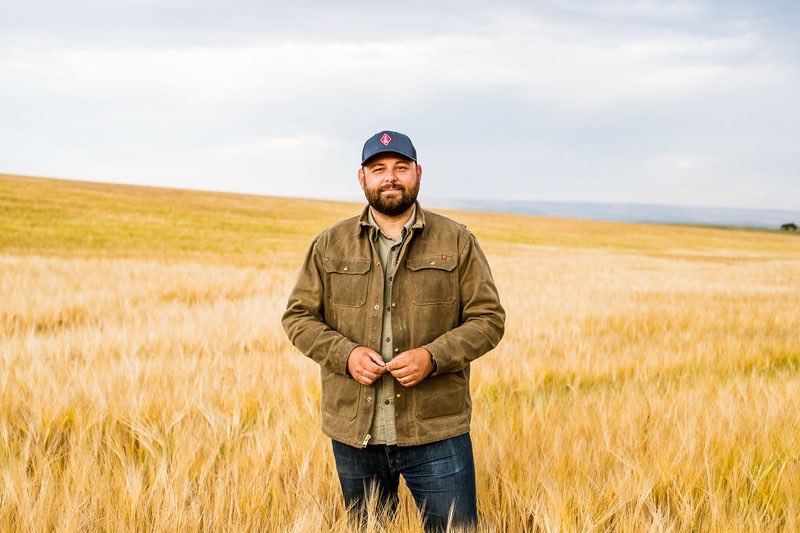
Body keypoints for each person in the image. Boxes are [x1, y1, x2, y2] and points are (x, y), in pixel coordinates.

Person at [282, 130, 505, 531]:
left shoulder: (457, 241)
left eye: (401, 168)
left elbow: (488, 319)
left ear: (418, 173)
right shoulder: (329, 245)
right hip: (356, 433)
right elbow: (298, 316)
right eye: (379, 169)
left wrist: (433, 357)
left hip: (437, 431)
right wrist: (345, 355)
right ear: (361, 178)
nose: (390, 177)